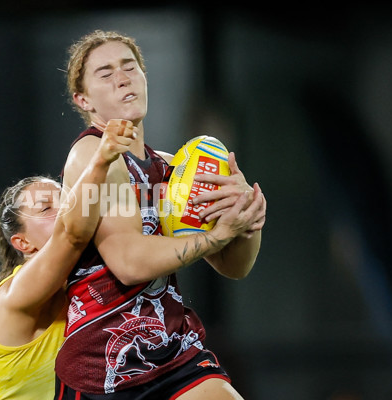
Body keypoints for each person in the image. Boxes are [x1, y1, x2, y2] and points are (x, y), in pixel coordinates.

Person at [55, 30, 267, 399]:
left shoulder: (174, 167)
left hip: (172, 348)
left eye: (130, 67)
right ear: (83, 99)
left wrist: (245, 222)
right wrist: (216, 235)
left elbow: (235, 266)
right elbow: (128, 263)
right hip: (105, 362)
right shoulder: (92, 154)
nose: (122, 78)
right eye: (105, 74)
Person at [0, 120, 137, 399]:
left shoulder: (83, 286)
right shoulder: (13, 297)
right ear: (22, 243)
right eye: (47, 208)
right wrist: (101, 157)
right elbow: (71, 236)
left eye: (65, 199)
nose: (65, 211)